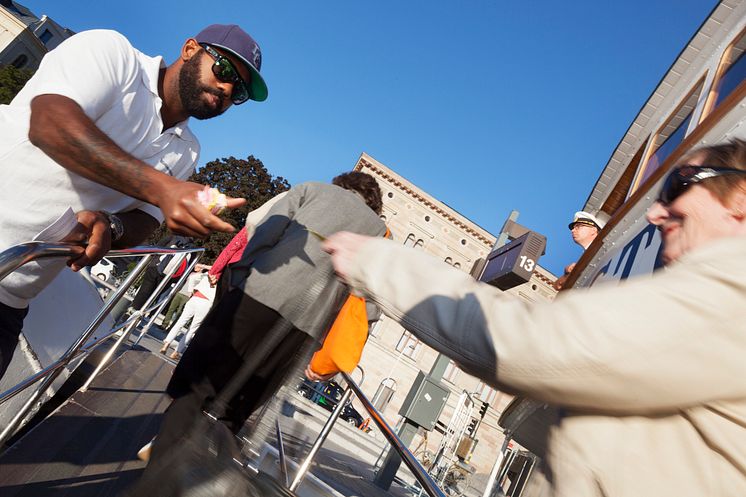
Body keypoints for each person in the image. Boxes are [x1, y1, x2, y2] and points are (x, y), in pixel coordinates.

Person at [324, 140, 746, 496]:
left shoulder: (734, 290)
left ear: (739, 202)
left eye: (677, 186)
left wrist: (377, 263)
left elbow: (540, 345)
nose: (655, 214)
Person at [0, 24, 267, 378]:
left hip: (13, 298)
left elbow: (144, 220)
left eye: (240, 92)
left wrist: (110, 225)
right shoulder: (114, 55)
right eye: (224, 69)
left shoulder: (186, 151)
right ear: (189, 49)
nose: (228, 88)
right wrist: (163, 188)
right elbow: (49, 123)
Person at [132, 172, 387, 481]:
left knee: (196, 388)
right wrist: (327, 353)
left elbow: (266, 229)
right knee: (238, 410)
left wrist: (241, 275)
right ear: (373, 205)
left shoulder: (313, 190)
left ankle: (155, 482)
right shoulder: (380, 234)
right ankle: (194, 480)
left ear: (342, 184)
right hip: (304, 330)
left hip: (257, 296)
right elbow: (369, 305)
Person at [159, 268, 216, 360]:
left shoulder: (209, 274)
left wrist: (191, 291)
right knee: (192, 328)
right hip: (207, 303)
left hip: (196, 298)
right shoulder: (225, 280)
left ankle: (166, 345)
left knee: (180, 322)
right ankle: (176, 352)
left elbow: (193, 277)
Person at [553, 211, 605, 290]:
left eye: (578, 226)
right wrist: (566, 275)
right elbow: (557, 286)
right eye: (574, 228)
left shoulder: (603, 248)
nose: (573, 230)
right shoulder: (586, 256)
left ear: (593, 230)